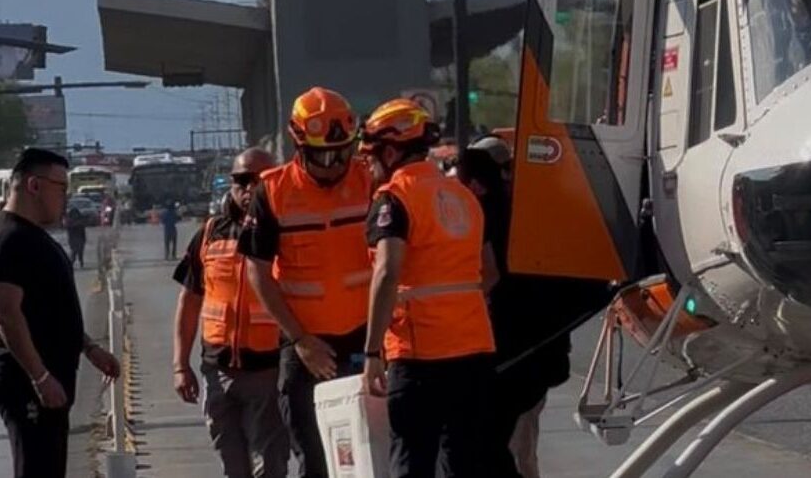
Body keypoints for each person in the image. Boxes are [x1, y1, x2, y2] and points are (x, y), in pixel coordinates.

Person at [239, 87, 373, 478]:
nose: (333, 164)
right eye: (321, 155)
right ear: (298, 144)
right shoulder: (274, 191)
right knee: (314, 456)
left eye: (342, 152)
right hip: (305, 345)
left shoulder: (371, 179)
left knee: (375, 449)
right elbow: (257, 273)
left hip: (368, 337)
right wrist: (300, 340)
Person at [359, 98, 495, 478]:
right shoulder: (463, 195)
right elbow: (489, 271)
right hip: (474, 350)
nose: (368, 165)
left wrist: (371, 353)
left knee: (412, 461)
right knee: (464, 463)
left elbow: (387, 272)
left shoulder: (394, 198)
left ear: (390, 151)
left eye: (370, 155)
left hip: (420, 356)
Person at [0, 148, 121, 478]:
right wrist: (40, 377)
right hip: (26, 380)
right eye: (62, 187)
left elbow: (48, 308)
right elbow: (6, 314)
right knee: (36, 468)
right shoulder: (7, 240)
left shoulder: (32, 236)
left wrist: (89, 347)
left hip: (50, 375)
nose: (65, 197)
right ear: (34, 185)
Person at [172, 147, 289, 478]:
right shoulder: (209, 233)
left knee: (270, 464)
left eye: (260, 180)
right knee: (232, 463)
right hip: (217, 370)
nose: (250, 187)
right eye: (242, 180)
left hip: (268, 373)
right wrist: (180, 366)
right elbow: (189, 302)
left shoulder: (287, 234)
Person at [457, 143, 570, 478]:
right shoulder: (531, 212)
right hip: (541, 351)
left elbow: (489, 275)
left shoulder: (487, 214)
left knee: (502, 446)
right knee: (519, 444)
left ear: (475, 183)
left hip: (512, 355)